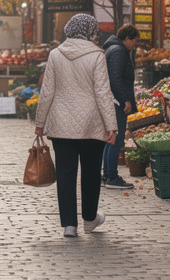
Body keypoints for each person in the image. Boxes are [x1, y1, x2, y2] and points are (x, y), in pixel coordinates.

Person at [34, 14, 117, 239]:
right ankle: (90, 219)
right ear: (90, 31)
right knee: (90, 173)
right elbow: (102, 92)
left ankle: (69, 225)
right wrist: (112, 125)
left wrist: (40, 123)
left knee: (66, 174)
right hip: (92, 123)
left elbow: (47, 90)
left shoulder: (55, 54)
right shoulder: (96, 55)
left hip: (61, 124)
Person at [102, 25, 138, 189]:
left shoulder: (113, 48)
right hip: (116, 102)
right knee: (115, 138)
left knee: (111, 138)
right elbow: (115, 78)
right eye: (134, 42)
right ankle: (112, 177)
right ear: (127, 38)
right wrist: (125, 100)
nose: (134, 46)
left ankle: (107, 175)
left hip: (113, 100)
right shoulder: (118, 51)